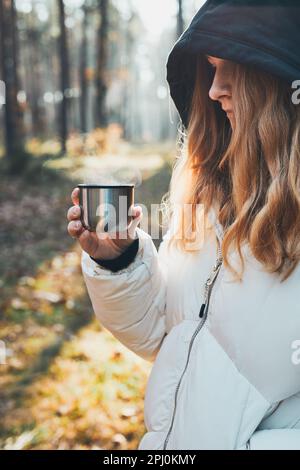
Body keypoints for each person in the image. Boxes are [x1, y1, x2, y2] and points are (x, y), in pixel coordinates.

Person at [67, 0, 300, 450]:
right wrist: (121, 262)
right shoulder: (210, 197)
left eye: (233, 67)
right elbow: (166, 333)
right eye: (210, 69)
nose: (214, 89)